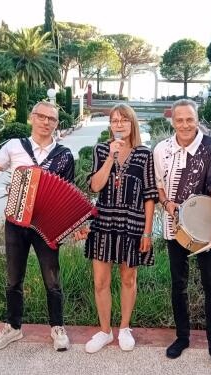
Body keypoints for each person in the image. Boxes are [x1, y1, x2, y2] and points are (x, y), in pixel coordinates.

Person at [0, 101, 74, 352]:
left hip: (46, 226)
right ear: (31, 118)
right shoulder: (15, 146)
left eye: (52, 119)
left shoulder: (64, 155)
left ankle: (57, 327)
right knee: (13, 278)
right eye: (41, 116)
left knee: (52, 280)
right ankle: (13, 327)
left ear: (56, 124)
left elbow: (68, 194)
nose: (46, 122)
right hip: (16, 222)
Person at [152, 99, 211, 370]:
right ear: (172, 121)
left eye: (190, 119)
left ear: (197, 119)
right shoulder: (161, 150)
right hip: (176, 228)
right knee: (179, 285)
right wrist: (166, 203)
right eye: (179, 119)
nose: (185, 124)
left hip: (206, 228)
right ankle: (182, 338)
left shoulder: (210, 147)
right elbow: (159, 186)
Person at [75, 104, 158, 353]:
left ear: (132, 124)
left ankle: (124, 328)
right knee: (100, 281)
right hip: (104, 224)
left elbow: (150, 196)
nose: (119, 124)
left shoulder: (144, 154)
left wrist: (147, 231)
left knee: (128, 278)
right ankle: (104, 331)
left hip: (132, 224)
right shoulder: (102, 149)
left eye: (123, 120)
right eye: (114, 121)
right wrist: (111, 158)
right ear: (110, 126)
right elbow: (95, 186)